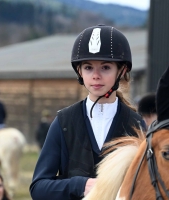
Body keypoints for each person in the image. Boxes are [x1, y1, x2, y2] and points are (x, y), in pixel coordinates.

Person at [29, 24, 146, 200]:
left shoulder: (136, 124)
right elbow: (38, 188)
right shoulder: (64, 122)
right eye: (88, 67)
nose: (96, 75)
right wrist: (80, 185)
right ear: (79, 71)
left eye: (105, 67)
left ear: (121, 71)